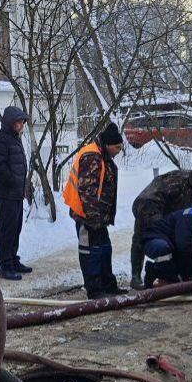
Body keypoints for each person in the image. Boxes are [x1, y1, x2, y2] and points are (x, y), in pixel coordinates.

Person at [64, 122, 125, 299]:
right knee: (91, 252)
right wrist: (93, 218)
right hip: (87, 216)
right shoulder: (93, 157)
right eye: (117, 147)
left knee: (104, 249)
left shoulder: (103, 155)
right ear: (107, 145)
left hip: (97, 216)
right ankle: (95, 289)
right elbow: (87, 191)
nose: (119, 151)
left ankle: (108, 285)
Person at [129, 169, 192, 290]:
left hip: (154, 204)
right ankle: (154, 275)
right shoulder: (186, 182)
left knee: (147, 236)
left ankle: (165, 275)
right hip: (151, 204)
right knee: (152, 237)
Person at [0, 106, 33, 280]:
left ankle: (14, 260)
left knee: (16, 229)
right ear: (10, 122)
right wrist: (13, 180)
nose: (21, 124)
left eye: (23, 121)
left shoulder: (15, 139)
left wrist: (22, 187)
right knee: (6, 230)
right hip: (6, 193)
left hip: (16, 194)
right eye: (19, 121)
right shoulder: (0, 139)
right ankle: (5, 266)